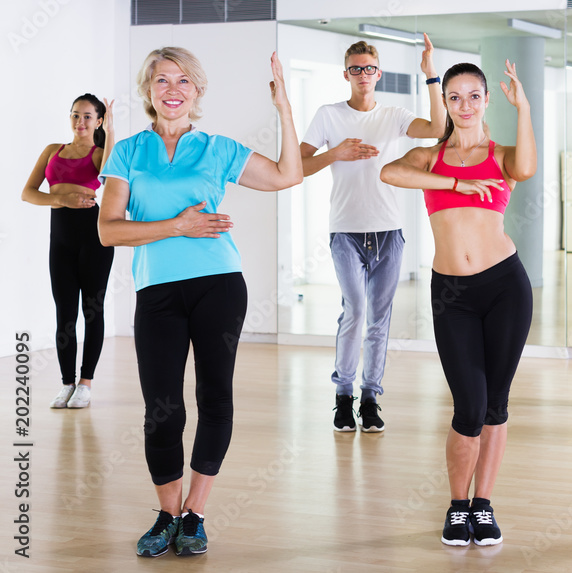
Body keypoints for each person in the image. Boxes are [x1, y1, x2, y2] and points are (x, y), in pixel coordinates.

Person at [98, 47, 302, 557]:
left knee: (215, 399)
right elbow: (107, 231)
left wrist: (285, 109)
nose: (172, 89)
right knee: (161, 410)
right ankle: (167, 512)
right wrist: (177, 226)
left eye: (183, 80)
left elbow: (286, 176)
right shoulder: (127, 152)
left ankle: (195, 514)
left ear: (198, 91)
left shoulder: (217, 148)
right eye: (162, 80)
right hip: (157, 291)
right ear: (148, 90)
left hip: (219, 284)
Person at [380, 60, 535, 547]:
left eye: (473, 96)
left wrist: (524, 108)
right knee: (467, 405)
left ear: (487, 100)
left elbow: (526, 169)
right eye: (454, 97)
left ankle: (483, 505)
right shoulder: (429, 158)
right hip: (452, 293)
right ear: (444, 103)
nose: (464, 105)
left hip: (506, 287)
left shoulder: (501, 153)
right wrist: (455, 183)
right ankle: (457, 505)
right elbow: (389, 172)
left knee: (495, 404)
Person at [300, 34, 446, 433]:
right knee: (356, 311)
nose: (363, 74)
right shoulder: (329, 115)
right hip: (345, 231)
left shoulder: (394, 115)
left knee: (379, 319)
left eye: (369, 68)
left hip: (388, 233)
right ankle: (343, 396)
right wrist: (336, 153)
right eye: (355, 69)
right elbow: (297, 164)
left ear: (378, 74)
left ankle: (370, 398)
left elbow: (437, 126)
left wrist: (431, 74)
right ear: (346, 74)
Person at [22, 94, 115, 409]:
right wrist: (60, 200)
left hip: (94, 237)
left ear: (98, 121)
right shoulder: (53, 151)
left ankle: (86, 383)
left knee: (93, 310)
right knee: (65, 314)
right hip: (59, 239)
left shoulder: (101, 152)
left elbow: (109, 174)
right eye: (76, 115)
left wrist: (112, 130)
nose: (81, 122)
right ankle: (67, 383)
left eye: (88, 116)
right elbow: (28, 193)